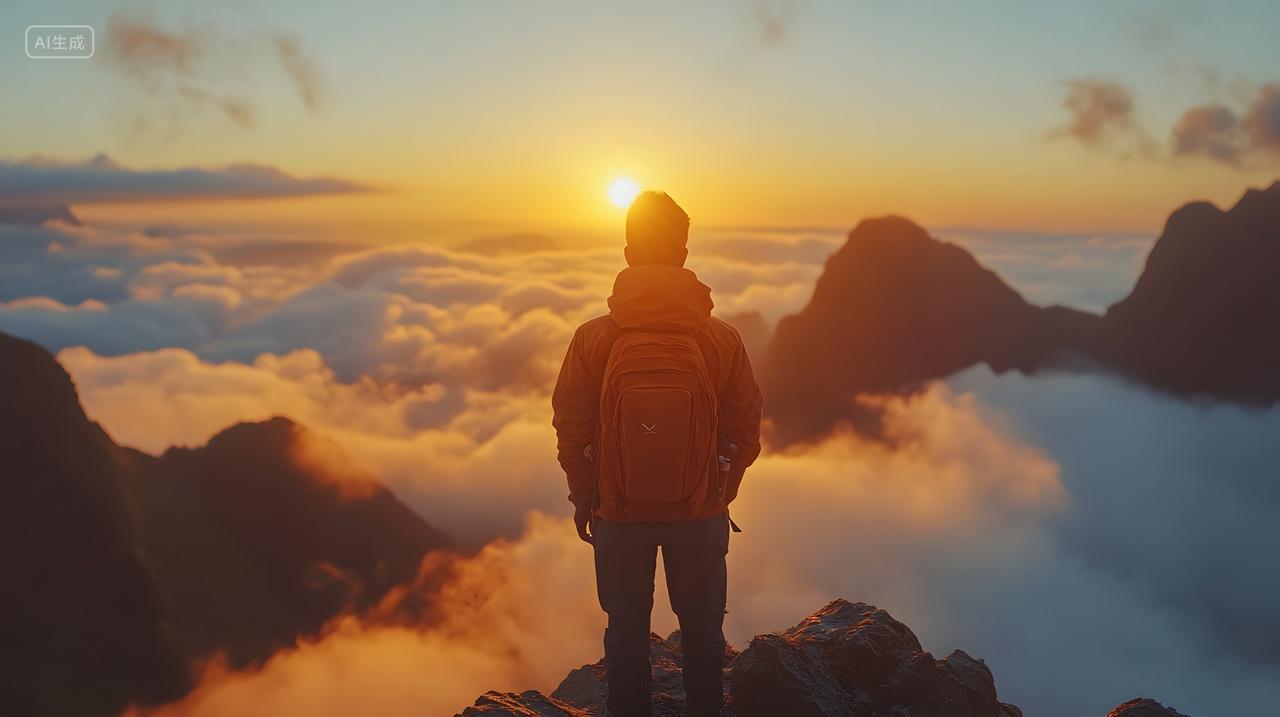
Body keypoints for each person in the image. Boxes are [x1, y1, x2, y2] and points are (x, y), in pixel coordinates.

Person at [552, 191, 764, 717]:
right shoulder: (721, 339)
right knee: (703, 630)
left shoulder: (593, 339)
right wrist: (718, 490)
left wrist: (585, 497)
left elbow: (571, 429)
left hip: (617, 512)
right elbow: (746, 430)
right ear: (684, 253)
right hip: (700, 512)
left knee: (625, 629)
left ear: (628, 252)